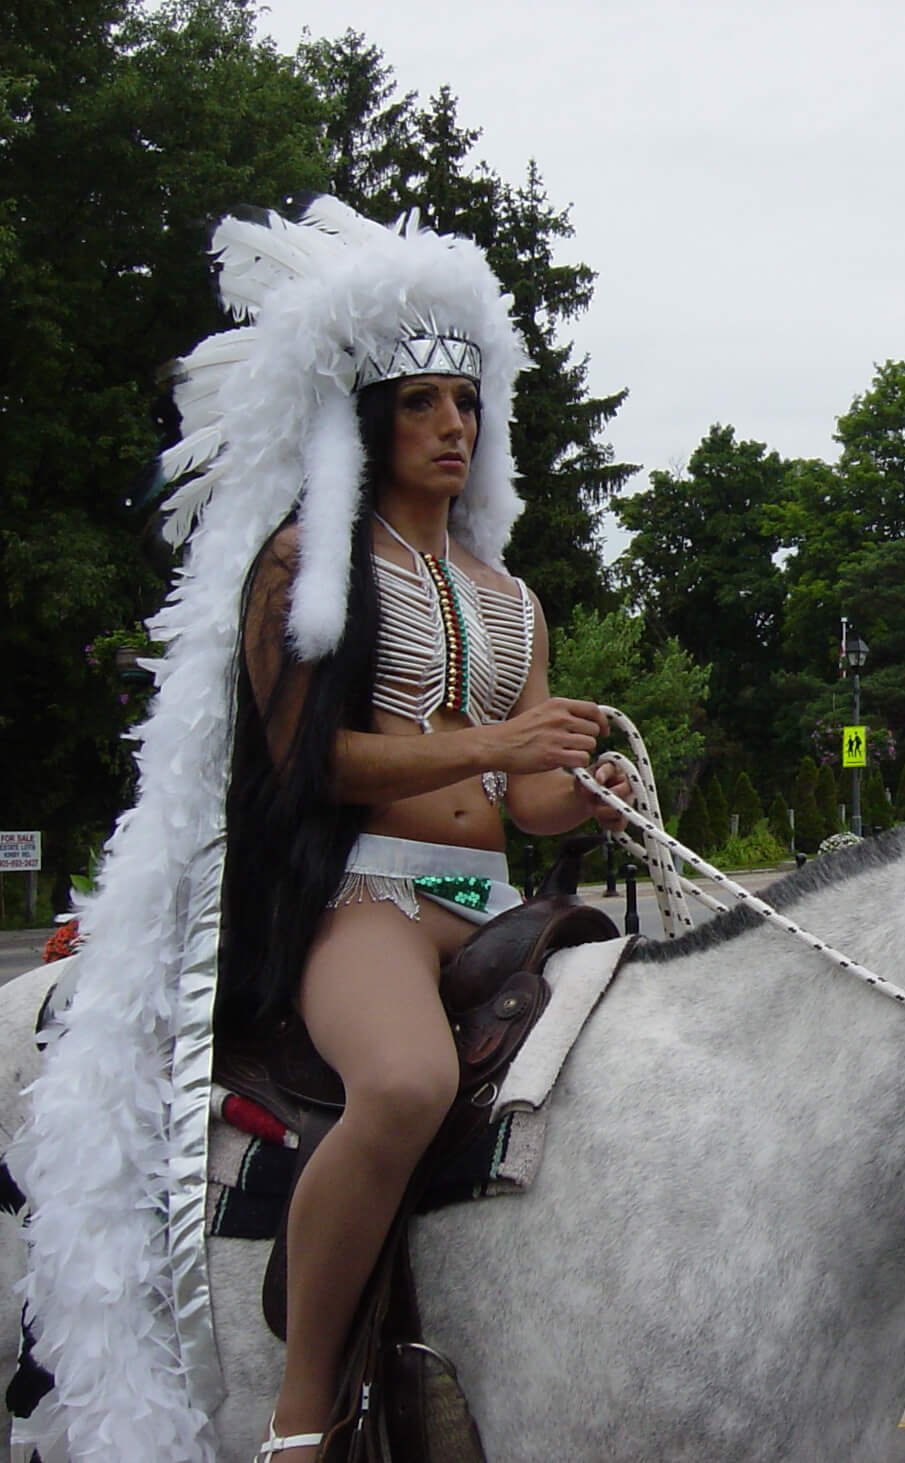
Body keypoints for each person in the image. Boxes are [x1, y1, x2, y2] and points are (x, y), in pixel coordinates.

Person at [13, 199, 628, 1463]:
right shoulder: (305, 564)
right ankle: (302, 1410)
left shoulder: (515, 598)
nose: (453, 426)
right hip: (369, 899)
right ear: (368, 418)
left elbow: (527, 800)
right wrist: (499, 746)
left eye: (467, 403)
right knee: (403, 1082)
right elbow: (302, 763)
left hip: (500, 905)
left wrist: (591, 788)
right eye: (422, 402)